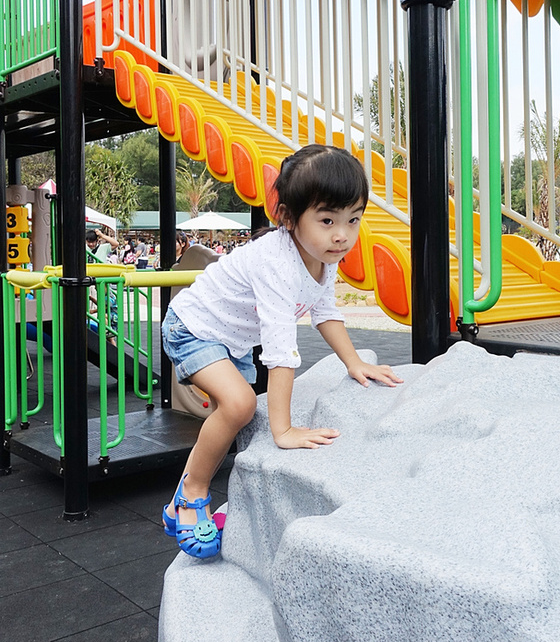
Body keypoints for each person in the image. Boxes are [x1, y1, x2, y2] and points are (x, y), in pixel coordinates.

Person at [160, 145, 403, 559]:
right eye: (327, 220)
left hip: (230, 339)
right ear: (289, 218)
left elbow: (325, 312)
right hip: (192, 327)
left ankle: (185, 497)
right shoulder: (276, 263)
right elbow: (280, 350)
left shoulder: (324, 256)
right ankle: (190, 494)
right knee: (238, 407)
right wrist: (284, 431)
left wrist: (355, 362)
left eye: (353, 219)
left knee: (239, 408)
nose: (342, 234)